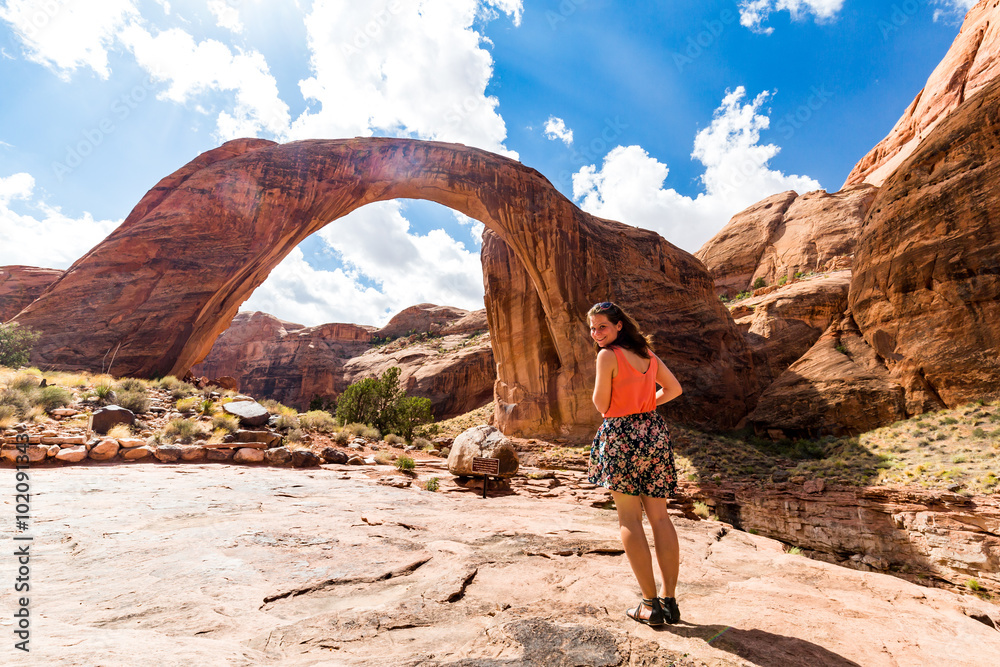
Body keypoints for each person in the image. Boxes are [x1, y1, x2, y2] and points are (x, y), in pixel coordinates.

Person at [586, 300, 683, 626]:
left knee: (630, 519)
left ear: (618, 326)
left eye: (602, 326)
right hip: (652, 432)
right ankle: (670, 602)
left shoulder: (607, 356)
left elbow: (601, 404)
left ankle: (650, 605)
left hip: (620, 437)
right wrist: (645, 404)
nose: (596, 333)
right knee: (659, 517)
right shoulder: (647, 354)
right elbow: (674, 389)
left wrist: (625, 403)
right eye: (593, 328)